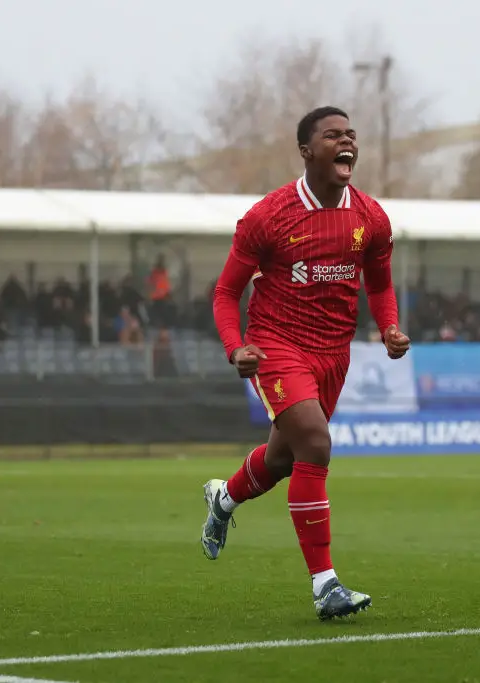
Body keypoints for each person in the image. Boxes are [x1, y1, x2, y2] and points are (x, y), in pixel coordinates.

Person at [203, 106, 411, 620]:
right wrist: (236, 348)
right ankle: (326, 586)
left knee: (284, 460)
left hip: (333, 354)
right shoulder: (268, 216)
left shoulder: (371, 218)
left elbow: (380, 283)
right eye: (332, 135)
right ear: (306, 150)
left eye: (351, 135)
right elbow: (226, 293)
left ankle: (222, 500)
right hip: (277, 345)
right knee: (316, 444)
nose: (347, 142)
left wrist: (388, 327)